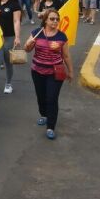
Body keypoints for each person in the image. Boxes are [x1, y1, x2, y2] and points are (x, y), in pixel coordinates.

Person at [24, 9, 73, 140]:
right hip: (37, 71)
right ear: (45, 20)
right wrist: (28, 44)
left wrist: (71, 71)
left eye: (57, 19)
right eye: (52, 19)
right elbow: (27, 49)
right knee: (41, 96)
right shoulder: (36, 33)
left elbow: (66, 56)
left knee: (52, 98)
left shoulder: (61, 36)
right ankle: (44, 115)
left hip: (55, 72)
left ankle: (51, 126)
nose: (55, 21)